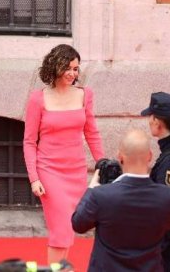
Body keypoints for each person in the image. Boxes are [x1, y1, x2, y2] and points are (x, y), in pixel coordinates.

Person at [23, 44, 105, 264]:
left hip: (76, 171)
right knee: (60, 229)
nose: (72, 73)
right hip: (49, 171)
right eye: (67, 68)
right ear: (55, 66)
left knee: (68, 228)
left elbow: (92, 133)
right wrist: (34, 178)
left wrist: (103, 163)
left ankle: (59, 269)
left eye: (76, 69)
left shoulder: (85, 95)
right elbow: (29, 141)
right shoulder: (37, 99)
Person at [72, 129, 170, 272]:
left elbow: (78, 224)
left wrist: (91, 188)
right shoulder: (168, 197)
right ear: (150, 156)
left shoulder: (101, 195)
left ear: (120, 157)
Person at [141, 92, 170, 271]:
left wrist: (154, 251)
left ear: (158, 122)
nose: (149, 121)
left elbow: (168, 210)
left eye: (150, 116)